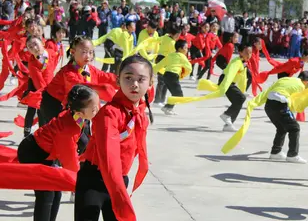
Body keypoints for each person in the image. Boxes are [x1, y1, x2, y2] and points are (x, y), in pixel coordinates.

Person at [74, 55, 153, 221]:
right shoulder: (109, 113)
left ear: (150, 83)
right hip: (94, 180)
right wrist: (119, 192)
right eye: (128, 78)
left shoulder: (140, 114)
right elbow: (109, 157)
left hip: (120, 180)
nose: (134, 84)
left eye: (141, 79)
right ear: (118, 80)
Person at [18, 85, 100, 221]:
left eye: (98, 104)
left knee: (57, 190)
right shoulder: (67, 130)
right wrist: (81, 180)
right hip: (33, 153)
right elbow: (70, 161)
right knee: (46, 193)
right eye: (94, 108)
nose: (97, 109)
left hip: (47, 153)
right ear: (80, 112)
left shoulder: (76, 115)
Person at [23, 36, 58, 137]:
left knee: (48, 115)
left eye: (35, 44)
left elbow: (55, 63)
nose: (34, 47)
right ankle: (27, 133)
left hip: (51, 87)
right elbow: (39, 83)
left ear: (42, 43)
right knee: (34, 110)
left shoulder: (52, 52)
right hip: (38, 89)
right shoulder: (32, 63)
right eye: (30, 47)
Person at [154, 40, 192, 115]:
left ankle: (168, 108)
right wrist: (182, 75)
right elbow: (189, 68)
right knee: (179, 95)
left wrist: (152, 72)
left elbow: (160, 65)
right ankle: (167, 107)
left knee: (175, 94)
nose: (187, 50)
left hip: (166, 75)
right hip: (173, 76)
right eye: (185, 48)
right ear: (180, 49)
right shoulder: (182, 56)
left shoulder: (170, 55)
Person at [153, 25, 181, 107]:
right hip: (163, 59)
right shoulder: (172, 43)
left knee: (165, 81)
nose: (178, 37)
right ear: (172, 34)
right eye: (177, 35)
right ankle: (157, 100)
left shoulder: (165, 36)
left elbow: (158, 39)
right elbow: (175, 54)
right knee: (162, 81)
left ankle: (161, 100)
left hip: (163, 59)